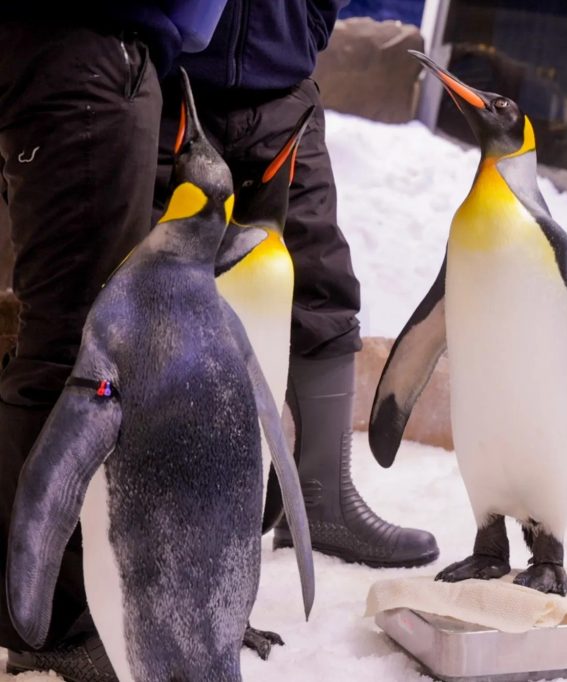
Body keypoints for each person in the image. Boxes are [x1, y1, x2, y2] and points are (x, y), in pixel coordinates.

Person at [154, 0, 439, 569]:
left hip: (282, 92)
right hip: (169, 91)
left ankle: (321, 499)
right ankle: (148, 515)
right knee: (154, 298)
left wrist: (304, 25)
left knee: (320, 283)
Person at [0, 5, 172, 679]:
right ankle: (46, 622)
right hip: (83, 47)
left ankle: (48, 606)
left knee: (74, 341)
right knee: (71, 349)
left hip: (94, 50)